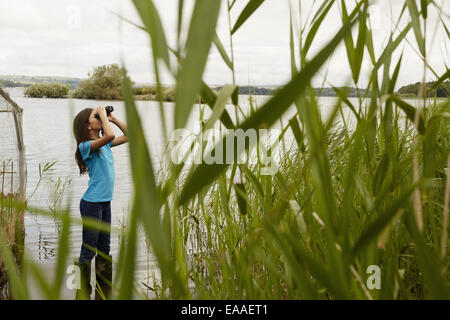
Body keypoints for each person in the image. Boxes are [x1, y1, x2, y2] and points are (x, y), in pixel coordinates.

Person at [73, 106, 128, 299]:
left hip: (105, 203)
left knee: (104, 249)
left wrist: (112, 118)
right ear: (88, 126)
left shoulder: (103, 144)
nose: (99, 119)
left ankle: (103, 288)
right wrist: (104, 117)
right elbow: (110, 136)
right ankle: (80, 291)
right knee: (88, 249)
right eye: (95, 117)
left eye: (99, 117)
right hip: (91, 204)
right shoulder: (85, 146)